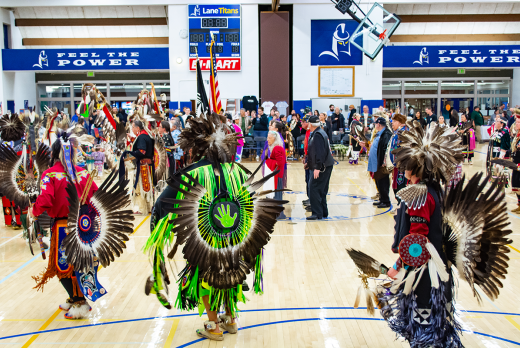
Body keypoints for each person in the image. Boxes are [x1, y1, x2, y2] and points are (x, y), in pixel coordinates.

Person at [144, 111, 285, 342]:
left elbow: (162, 205)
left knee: (206, 276)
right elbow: (252, 201)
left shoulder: (193, 173)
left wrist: (159, 229)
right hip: (236, 237)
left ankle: (213, 325)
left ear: (197, 148)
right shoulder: (236, 170)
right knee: (231, 272)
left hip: (206, 239)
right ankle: (229, 320)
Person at [29, 130, 98, 319]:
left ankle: (80, 302)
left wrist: (33, 212)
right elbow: (95, 196)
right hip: (84, 226)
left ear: (53, 153)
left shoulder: (50, 175)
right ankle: (73, 296)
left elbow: (45, 199)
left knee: (64, 266)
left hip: (63, 227)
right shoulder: (83, 173)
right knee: (80, 263)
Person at [360, 117, 393, 209]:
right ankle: (382, 199)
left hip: (381, 163)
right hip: (376, 162)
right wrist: (366, 145)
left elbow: (385, 149)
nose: (374, 125)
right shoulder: (379, 134)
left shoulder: (386, 134)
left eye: (375, 124)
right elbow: (376, 146)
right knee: (378, 181)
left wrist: (384, 161)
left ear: (378, 124)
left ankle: (386, 201)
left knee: (383, 182)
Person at [306, 115, 334, 220]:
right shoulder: (320, 132)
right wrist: (308, 163)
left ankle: (317, 213)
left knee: (313, 187)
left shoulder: (317, 134)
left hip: (322, 166)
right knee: (322, 189)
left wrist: (317, 167)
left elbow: (320, 152)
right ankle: (323, 212)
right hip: (326, 165)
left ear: (311, 124)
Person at [124, 119, 155, 214]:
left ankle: (142, 209)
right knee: (147, 187)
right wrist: (133, 139)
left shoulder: (141, 137)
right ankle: (149, 208)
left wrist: (130, 154)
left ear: (137, 128)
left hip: (143, 167)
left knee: (142, 188)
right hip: (148, 165)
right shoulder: (145, 135)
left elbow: (142, 151)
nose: (132, 129)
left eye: (132, 127)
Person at [388, 113, 408, 210]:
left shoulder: (404, 133)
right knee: (396, 185)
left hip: (402, 167)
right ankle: (400, 206)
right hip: (397, 166)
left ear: (400, 123)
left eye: (394, 121)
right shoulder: (397, 133)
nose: (392, 123)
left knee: (401, 186)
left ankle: (402, 207)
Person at [488, 116, 511, 187]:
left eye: (497, 121)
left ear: (502, 124)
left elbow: (504, 146)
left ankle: (501, 196)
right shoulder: (496, 132)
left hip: (500, 158)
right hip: (494, 156)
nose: (495, 122)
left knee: (500, 177)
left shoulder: (505, 132)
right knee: (494, 177)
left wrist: (500, 160)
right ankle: (496, 196)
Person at [264, 131, 286, 200]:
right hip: (277, 175)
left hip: (277, 176)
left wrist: (268, 160)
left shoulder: (277, 148)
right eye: (267, 137)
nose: (268, 139)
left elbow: (280, 163)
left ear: (275, 139)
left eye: (270, 138)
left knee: (276, 196)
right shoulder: (276, 147)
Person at [510, 114, 520, 213]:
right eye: (516, 122)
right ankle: (519, 204)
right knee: (515, 183)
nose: (516, 124)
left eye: (518, 122)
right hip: (516, 162)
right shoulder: (517, 134)